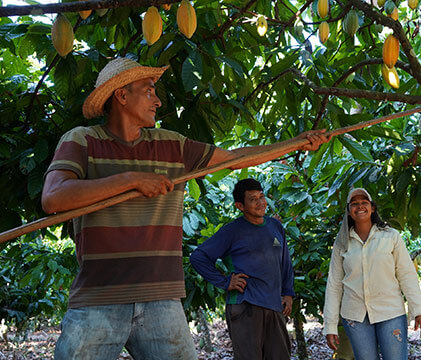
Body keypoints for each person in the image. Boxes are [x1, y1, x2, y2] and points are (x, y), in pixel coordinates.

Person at [41, 57, 329, 359]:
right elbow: (54, 197)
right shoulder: (83, 140)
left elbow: (235, 158)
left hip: (161, 298)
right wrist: (131, 180)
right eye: (149, 90)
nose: (158, 100)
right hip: (100, 296)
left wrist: (296, 143)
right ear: (122, 96)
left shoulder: (173, 145)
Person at [189, 178, 294, 360]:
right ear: (240, 205)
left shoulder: (275, 226)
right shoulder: (232, 231)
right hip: (246, 306)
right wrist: (225, 281)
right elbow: (198, 257)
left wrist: (288, 293)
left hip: (274, 305)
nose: (260, 202)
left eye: (261, 196)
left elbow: (285, 262)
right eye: (253, 199)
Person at [322, 188, 421, 360]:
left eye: (364, 203)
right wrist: (330, 325)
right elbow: (334, 284)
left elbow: (406, 275)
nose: (360, 207)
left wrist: (419, 311)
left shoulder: (390, 237)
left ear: (372, 208)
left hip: (390, 312)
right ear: (349, 212)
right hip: (355, 316)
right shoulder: (342, 243)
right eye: (354, 204)